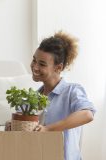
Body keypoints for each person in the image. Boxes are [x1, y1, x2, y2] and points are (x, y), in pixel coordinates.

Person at [31, 31, 96, 160]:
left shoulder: (72, 91)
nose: (35, 67)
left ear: (58, 68)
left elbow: (87, 114)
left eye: (42, 64)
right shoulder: (34, 97)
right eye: (34, 60)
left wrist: (48, 129)